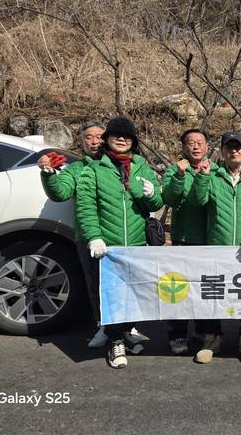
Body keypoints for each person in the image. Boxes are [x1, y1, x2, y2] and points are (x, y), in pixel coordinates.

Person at [76, 116, 163, 369]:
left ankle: (125, 332)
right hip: (108, 246)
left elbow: (156, 203)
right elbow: (86, 207)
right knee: (110, 295)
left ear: (133, 142)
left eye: (127, 136)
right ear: (108, 139)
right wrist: (94, 236)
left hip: (135, 244)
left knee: (131, 293)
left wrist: (149, 194)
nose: (122, 139)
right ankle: (115, 341)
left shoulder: (141, 167)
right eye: (117, 135)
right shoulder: (94, 169)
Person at [188, 131, 241, 365]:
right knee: (213, 295)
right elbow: (198, 201)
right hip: (217, 249)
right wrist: (202, 177)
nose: (234, 151)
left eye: (238, 147)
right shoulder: (213, 176)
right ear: (222, 152)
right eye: (229, 147)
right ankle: (211, 342)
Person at [38, 120, 108, 348]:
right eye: (89, 137)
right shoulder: (76, 169)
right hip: (89, 237)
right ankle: (102, 325)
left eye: (99, 136)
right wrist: (48, 173)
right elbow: (60, 192)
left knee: (126, 283)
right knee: (96, 283)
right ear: (81, 141)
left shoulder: (120, 165)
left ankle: (129, 326)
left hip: (121, 235)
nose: (95, 141)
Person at [161, 128, 218, 355]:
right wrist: (179, 176)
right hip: (183, 239)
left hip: (209, 240)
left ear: (207, 147)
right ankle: (177, 334)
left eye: (200, 142)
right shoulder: (175, 170)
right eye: (190, 143)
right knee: (180, 290)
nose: (195, 146)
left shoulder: (216, 171)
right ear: (184, 147)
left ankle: (203, 331)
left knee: (206, 289)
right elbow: (169, 198)